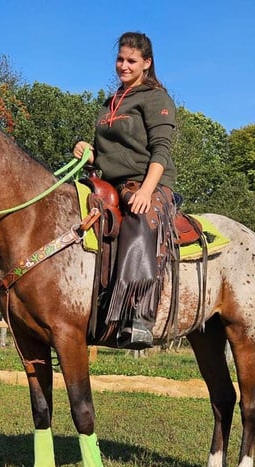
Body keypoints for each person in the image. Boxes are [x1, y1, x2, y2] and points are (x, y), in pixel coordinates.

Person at [74, 31, 178, 349]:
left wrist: (147, 191)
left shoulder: (155, 98)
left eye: (131, 60)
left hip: (148, 181)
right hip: (109, 183)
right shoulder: (110, 103)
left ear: (146, 63)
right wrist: (88, 153)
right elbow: (111, 155)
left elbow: (161, 151)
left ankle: (139, 318)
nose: (123, 65)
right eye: (120, 59)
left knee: (136, 218)